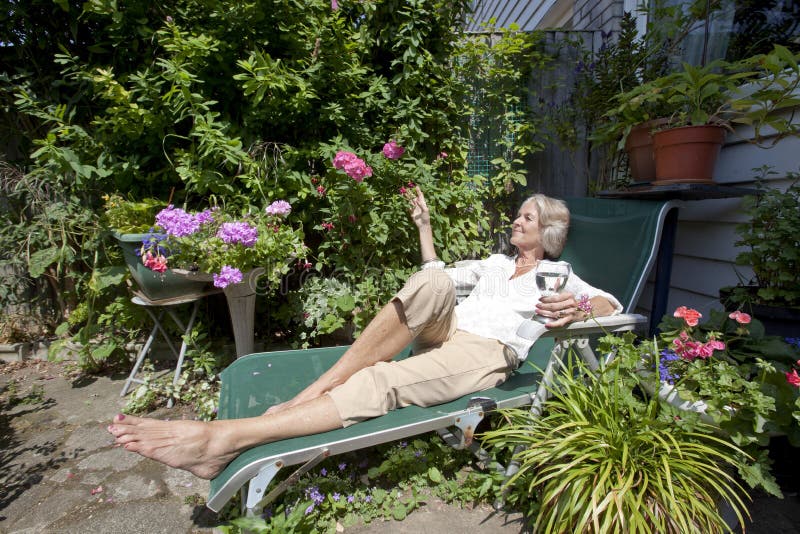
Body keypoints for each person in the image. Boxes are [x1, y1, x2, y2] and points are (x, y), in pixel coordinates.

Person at [107, 188, 621, 479]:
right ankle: (321, 387)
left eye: (526, 216)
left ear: (548, 232)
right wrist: (424, 225)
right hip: (447, 331)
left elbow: (612, 304)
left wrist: (577, 305)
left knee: (382, 382)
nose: (516, 219)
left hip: (487, 353)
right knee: (436, 279)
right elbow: (433, 277)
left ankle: (224, 440)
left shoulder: (559, 276)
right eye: (519, 213)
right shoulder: (493, 263)